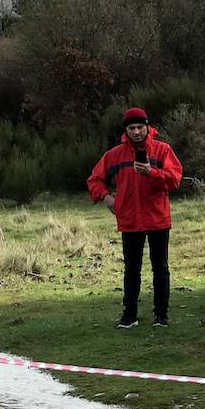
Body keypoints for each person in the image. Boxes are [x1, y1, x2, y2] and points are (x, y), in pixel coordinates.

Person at [86, 106, 183, 328]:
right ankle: (129, 315)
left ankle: (161, 315)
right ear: (126, 130)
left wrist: (152, 172)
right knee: (132, 269)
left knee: (160, 267)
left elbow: (175, 179)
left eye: (140, 127)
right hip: (130, 220)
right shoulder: (114, 155)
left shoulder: (163, 150)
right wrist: (107, 198)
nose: (137, 132)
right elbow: (94, 180)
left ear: (148, 127)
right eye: (132, 128)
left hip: (157, 218)